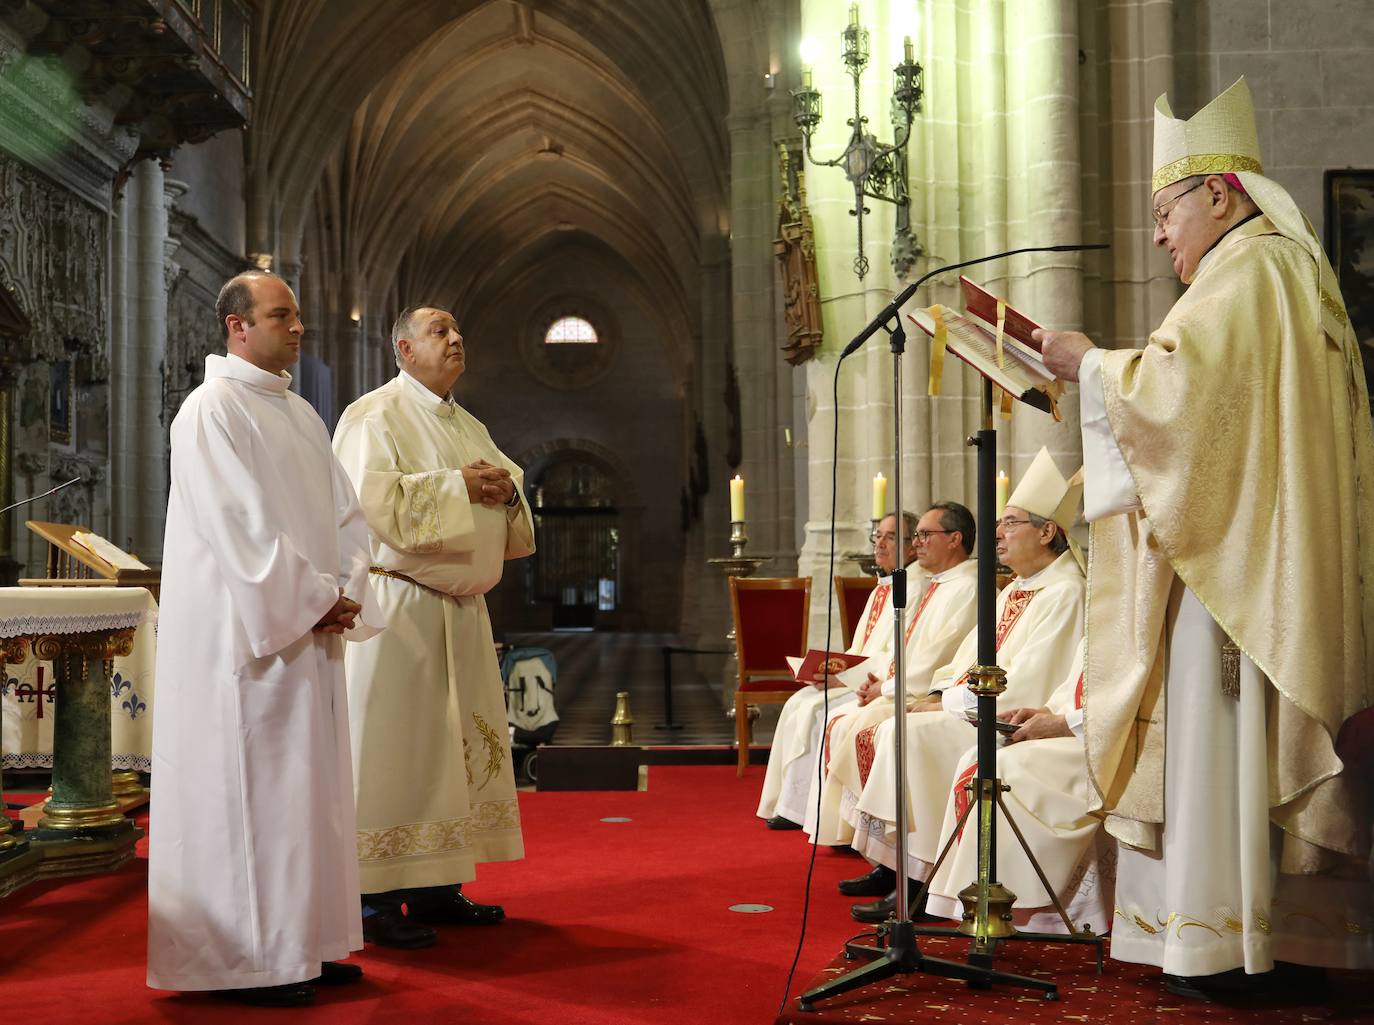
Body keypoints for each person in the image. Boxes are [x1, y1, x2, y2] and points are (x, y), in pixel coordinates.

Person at [1038, 76, 1374, 997]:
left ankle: (1225, 940)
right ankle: (1249, 933)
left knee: (1217, 729)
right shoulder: (1274, 270)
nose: (1157, 234)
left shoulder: (1252, 270)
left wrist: (1090, 364)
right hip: (1249, 552)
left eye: (1164, 210)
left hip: (1235, 574)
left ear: (1219, 190)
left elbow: (1180, 400)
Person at [147, 270, 383, 1007]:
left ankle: (305, 944)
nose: (298, 327)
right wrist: (316, 598)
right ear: (236, 326)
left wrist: (347, 591)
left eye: (299, 315)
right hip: (243, 648)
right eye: (281, 315)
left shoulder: (304, 417)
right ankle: (247, 961)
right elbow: (241, 529)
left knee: (304, 801)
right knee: (253, 803)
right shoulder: (209, 412)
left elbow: (350, 519)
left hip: (303, 634)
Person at [333, 305, 535, 950]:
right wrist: (458, 488)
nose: (455, 339)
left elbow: (507, 490)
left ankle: (437, 881)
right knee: (398, 753)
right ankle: (372, 896)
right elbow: (365, 502)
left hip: (462, 610)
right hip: (402, 609)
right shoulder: (374, 414)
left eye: (457, 331)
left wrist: (506, 492)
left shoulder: (466, 421)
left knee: (452, 752)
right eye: (439, 331)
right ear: (403, 347)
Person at [841, 448, 1084, 923]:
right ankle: (906, 873)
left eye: (1011, 523)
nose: (998, 534)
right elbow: (966, 659)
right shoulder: (1016, 587)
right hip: (966, 706)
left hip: (1005, 718)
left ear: (1048, 530)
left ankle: (920, 881)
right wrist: (938, 696)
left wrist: (942, 706)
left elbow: (1023, 683)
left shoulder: (1066, 591)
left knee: (903, 735)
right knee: (897, 729)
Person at [805, 503, 979, 891]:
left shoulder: (967, 587)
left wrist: (890, 687)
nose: (916, 544)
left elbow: (941, 654)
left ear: (955, 539)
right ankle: (887, 862)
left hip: (932, 694)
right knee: (856, 725)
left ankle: (903, 869)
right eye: (915, 536)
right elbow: (908, 648)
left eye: (924, 535)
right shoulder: (943, 583)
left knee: (877, 730)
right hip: (911, 688)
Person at [923, 640, 1112, 935]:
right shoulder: (1098, 621)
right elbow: (1069, 693)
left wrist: (1062, 724)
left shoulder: (1133, 620)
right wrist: (1043, 713)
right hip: (1076, 732)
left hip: (1104, 743)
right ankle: (981, 903)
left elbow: (1123, 708)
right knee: (978, 756)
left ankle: (1019, 909)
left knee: (1001, 768)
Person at [755, 510, 919, 830]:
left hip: (878, 682)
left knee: (822, 711)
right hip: (861, 677)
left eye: (889, 537)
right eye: (878, 536)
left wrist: (841, 676)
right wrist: (828, 669)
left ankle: (819, 814)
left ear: (912, 546)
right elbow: (863, 649)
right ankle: (795, 804)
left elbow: (896, 654)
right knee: (799, 702)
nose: (880, 544)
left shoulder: (913, 589)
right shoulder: (882, 588)